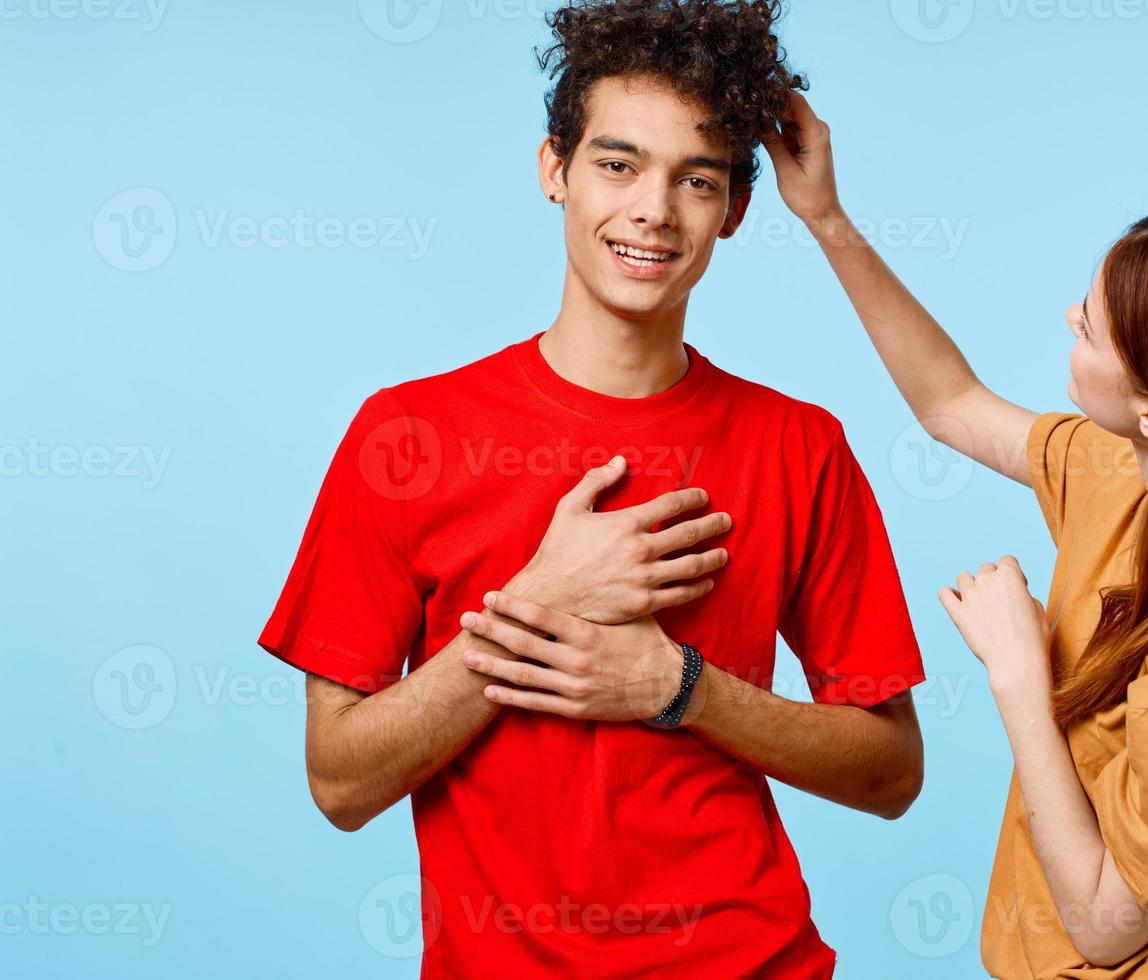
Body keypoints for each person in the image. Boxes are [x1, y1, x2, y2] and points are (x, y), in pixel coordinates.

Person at [257, 2, 925, 977]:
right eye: (617, 164)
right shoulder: (405, 435)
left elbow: (891, 771)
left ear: (735, 209)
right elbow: (341, 779)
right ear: (554, 171)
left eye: (695, 179)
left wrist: (681, 690)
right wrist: (539, 599)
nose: (653, 209)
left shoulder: (802, 446)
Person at [762, 92, 1148, 976]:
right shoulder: (1130, 477)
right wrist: (827, 218)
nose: (1071, 320)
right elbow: (950, 403)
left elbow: (1109, 928)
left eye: (1093, 326)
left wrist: (1020, 673)